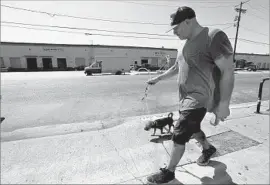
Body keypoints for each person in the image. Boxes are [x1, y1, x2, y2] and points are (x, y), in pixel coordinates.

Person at [146, 6, 235, 184]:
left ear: (188, 21)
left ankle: (169, 173)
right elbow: (176, 68)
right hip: (185, 99)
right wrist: (158, 78)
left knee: (179, 132)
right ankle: (208, 149)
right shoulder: (183, 45)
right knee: (193, 128)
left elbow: (228, 70)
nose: (175, 33)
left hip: (200, 98)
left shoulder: (213, 36)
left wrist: (224, 104)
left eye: (176, 28)